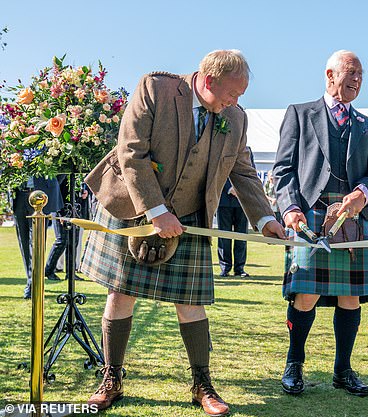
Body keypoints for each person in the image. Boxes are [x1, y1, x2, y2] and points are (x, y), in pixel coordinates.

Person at [80, 50, 285, 415]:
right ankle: (111, 378)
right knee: (120, 295)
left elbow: (244, 172)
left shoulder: (235, 118)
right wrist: (156, 211)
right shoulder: (155, 88)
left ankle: (202, 385)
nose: (236, 101)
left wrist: (266, 220)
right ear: (208, 81)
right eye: (232, 93)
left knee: (191, 304)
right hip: (134, 207)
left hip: (189, 217)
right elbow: (131, 152)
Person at [273, 50, 368, 397]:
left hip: (353, 220)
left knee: (350, 296)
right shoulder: (300, 113)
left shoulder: (367, 124)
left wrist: (362, 194)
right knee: (305, 294)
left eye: (360, 75)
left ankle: (343, 371)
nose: (356, 79)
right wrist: (290, 207)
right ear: (330, 74)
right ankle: (294, 364)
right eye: (350, 72)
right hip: (311, 217)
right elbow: (283, 169)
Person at [12, 177, 63, 299]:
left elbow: (61, 173)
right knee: (23, 241)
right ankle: (31, 280)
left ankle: (33, 283)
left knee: (37, 242)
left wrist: (48, 185)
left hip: (40, 197)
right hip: (19, 195)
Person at [216, 147, 255, 278]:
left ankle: (239, 269)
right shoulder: (221, 148)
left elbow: (251, 173)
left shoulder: (247, 150)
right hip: (223, 201)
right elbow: (217, 172)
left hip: (242, 202)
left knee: (242, 237)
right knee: (224, 237)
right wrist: (229, 188)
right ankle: (225, 268)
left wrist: (240, 190)